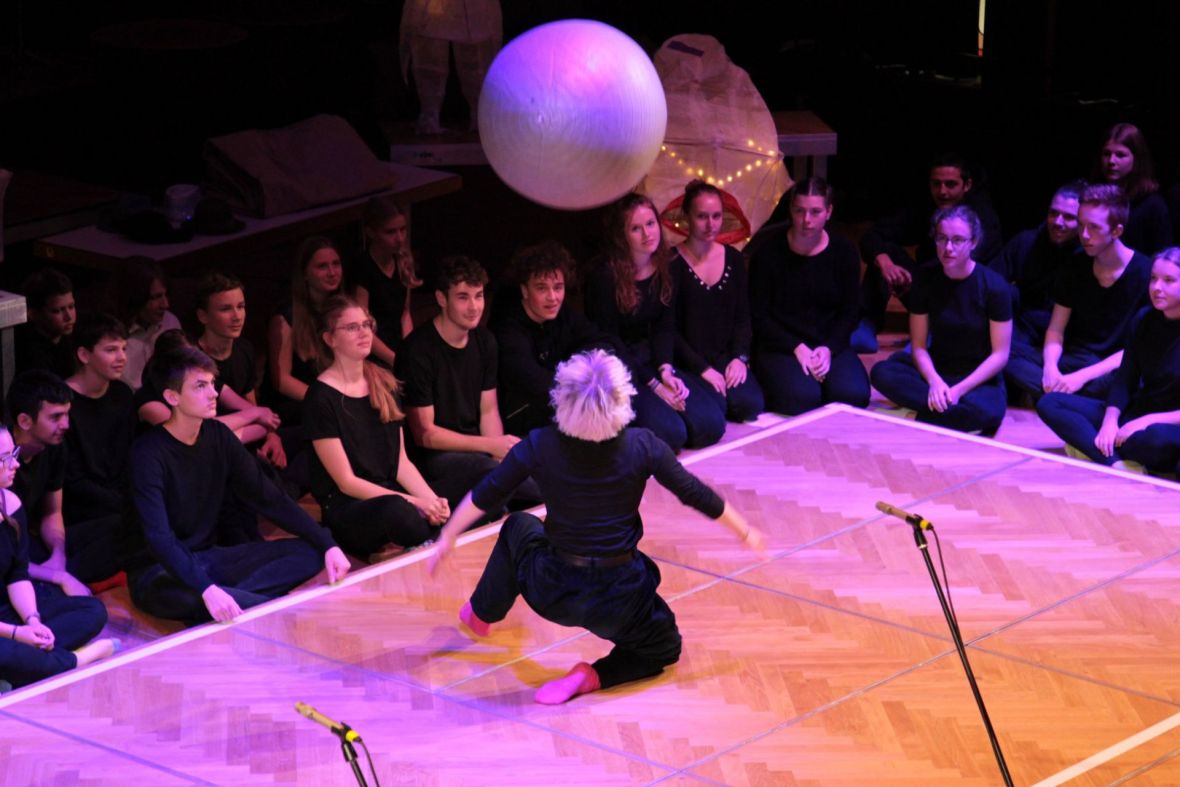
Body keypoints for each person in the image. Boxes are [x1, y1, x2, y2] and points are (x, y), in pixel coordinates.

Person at [429, 350, 765, 704]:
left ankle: (482, 613)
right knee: (663, 646)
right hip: (619, 597)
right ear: (621, 399)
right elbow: (694, 493)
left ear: (564, 399)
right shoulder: (643, 445)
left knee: (519, 526)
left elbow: (488, 492)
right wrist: (745, 531)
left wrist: (447, 537)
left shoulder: (541, 443)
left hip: (554, 588)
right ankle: (592, 675)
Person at [127, 347, 349, 624]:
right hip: (159, 570)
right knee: (187, 596)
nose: (213, 393)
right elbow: (159, 538)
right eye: (200, 386)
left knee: (311, 552)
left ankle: (233, 602)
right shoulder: (148, 454)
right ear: (172, 397)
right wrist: (205, 588)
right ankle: (245, 602)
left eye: (212, 384)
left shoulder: (218, 436)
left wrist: (327, 543)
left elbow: (270, 498)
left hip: (210, 559)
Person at [305, 295, 449, 562]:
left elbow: (400, 462)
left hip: (390, 490)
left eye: (367, 324)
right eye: (352, 327)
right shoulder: (320, 397)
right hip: (351, 505)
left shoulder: (383, 382)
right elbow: (346, 482)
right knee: (400, 512)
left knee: (464, 487)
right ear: (330, 339)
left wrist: (431, 501)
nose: (364, 333)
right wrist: (414, 502)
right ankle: (397, 542)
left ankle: (406, 542)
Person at [398, 256, 540, 510]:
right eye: (463, 297)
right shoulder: (418, 351)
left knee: (534, 457)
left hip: (477, 447)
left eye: (479, 296)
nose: (474, 306)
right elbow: (426, 435)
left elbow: (488, 410)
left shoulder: (485, 342)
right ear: (442, 299)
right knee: (491, 472)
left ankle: (563, 499)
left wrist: (500, 451)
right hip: (435, 459)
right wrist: (489, 448)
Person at [585, 193, 724, 452]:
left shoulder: (666, 265)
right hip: (621, 367)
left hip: (651, 358)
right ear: (622, 235)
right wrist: (654, 384)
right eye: (636, 228)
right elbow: (610, 341)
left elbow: (665, 327)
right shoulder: (604, 276)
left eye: (650, 224)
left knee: (711, 426)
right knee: (672, 435)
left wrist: (666, 371)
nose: (647, 233)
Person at [870, 205, 1013, 434]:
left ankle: (924, 413)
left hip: (976, 376)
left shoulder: (994, 287)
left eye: (958, 240)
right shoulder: (925, 280)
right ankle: (947, 413)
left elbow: (1000, 355)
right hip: (938, 369)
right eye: (942, 239)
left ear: (973, 243)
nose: (948, 248)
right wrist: (935, 381)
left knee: (990, 411)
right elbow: (918, 347)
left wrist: (958, 390)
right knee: (882, 373)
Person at [1037, 248, 1180, 471]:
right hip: (1136, 412)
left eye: (1169, 280)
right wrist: (1110, 421)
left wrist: (1144, 422)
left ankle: (1092, 446)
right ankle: (1115, 462)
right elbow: (1125, 379)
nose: (1156, 288)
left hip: (1167, 424)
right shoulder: (1144, 319)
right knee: (1051, 402)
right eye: (1153, 279)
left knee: (1155, 439)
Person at [0, 425, 119, 689]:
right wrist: (19, 634)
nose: (15, 464)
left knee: (91, 610)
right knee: (5, 650)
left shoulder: (11, 504)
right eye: (4, 459)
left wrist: (33, 620)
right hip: (4, 630)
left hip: (8, 611)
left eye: (13, 454)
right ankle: (72, 661)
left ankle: (26, 665)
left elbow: (17, 576)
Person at [1008, 184, 1151, 403]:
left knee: (1133, 380)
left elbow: (1136, 349)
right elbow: (1056, 329)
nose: (1084, 235)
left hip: (1112, 366)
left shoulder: (1145, 273)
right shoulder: (1076, 263)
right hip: (1074, 358)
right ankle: (1066, 396)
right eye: (1082, 224)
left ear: (1116, 231)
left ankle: (1060, 397)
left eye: (1094, 227)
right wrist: (1050, 368)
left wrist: (1080, 378)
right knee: (1005, 353)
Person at [854, 153, 1003, 353]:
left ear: (966, 185)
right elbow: (873, 235)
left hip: (962, 300)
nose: (942, 191)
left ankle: (933, 333)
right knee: (884, 252)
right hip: (925, 286)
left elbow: (962, 267)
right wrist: (886, 263)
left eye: (950, 184)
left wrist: (917, 281)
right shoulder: (927, 207)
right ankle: (867, 322)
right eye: (936, 184)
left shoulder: (982, 219)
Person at [748, 177, 870, 415]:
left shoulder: (843, 251)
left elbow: (851, 310)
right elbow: (758, 315)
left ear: (829, 212)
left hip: (827, 341)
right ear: (790, 211)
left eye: (815, 212)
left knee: (853, 396)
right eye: (800, 211)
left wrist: (828, 348)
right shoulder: (768, 254)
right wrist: (795, 346)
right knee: (802, 399)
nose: (807, 220)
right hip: (781, 344)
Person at [491, 240, 615, 436]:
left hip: (564, 402)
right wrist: (583, 385)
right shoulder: (508, 329)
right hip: (523, 414)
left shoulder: (563, 313)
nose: (553, 297)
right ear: (524, 290)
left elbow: (600, 342)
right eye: (541, 288)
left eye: (558, 287)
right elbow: (534, 383)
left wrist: (588, 372)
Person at [670, 180, 764, 423]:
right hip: (687, 360)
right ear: (687, 217)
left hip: (724, 356)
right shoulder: (671, 263)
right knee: (711, 416)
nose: (710, 224)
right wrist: (703, 369)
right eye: (702, 216)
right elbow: (668, 330)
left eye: (716, 216)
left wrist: (739, 358)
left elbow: (743, 316)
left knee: (750, 405)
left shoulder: (733, 258)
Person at [62, 313, 137, 585]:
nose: (121, 357)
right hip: (81, 509)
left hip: (119, 499)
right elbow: (72, 481)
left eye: (124, 348)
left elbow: (130, 457)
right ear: (84, 354)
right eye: (110, 350)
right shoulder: (64, 404)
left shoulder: (122, 394)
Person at [992, 182, 1085, 398]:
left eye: (1069, 217)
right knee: (998, 350)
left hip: (1067, 341)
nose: (1058, 222)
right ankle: (1057, 395)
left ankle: (1050, 389)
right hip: (1025, 334)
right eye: (1054, 214)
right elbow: (991, 282)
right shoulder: (1027, 242)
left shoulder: (1088, 256)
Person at [194, 272, 289, 477]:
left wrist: (271, 435)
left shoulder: (244, 349)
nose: (237, 316)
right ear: (203, 316)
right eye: (226, 309)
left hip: (246, 435)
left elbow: (250, 400)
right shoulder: (193, 359)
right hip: (209, 447)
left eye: (241, 306)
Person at [8, 371, 91, 596]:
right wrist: (57, 576)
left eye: (66, 415)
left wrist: (58, 556)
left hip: (27, 542)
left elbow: (52, 512)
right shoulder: (3, 454)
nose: (66, 425)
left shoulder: (55, 448)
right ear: (24, 421)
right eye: (55, 417)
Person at [267, 237, 348, 424]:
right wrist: (326, 400)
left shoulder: (342, 310)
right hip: (295, 404)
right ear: (304, 273)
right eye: (322, 266)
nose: (332, 272)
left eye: (336, 264)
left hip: (330, 397)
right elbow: (282, 381)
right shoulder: (285, 317)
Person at [350, 196, 423, 368]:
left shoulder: (402, 261)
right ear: (371, 233)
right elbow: (362, 327)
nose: (399, 238)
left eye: (402, 230)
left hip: (397, 347)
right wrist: (394, 359)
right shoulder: (363, 268)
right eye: (390, 232)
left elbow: (405, 314)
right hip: (372, 351)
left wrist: (408, 350)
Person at [1092, 123, 1172, 254]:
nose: (1111, 161)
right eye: (1106, 154)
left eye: (1120, 155)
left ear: (1137, 159)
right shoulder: (1093, 198)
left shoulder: (1152, 205)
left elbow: (1162, 255)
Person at [115, 257, 183, 390]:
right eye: (156, 297)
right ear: (135, 298)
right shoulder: (113, 334)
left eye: (165, 295)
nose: (165, 304)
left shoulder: (170, 322)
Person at [14, 268, 77, 379]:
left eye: (71, 307)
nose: (69, 317)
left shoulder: (69, 334)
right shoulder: (31, 356)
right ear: (33, 314)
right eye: (57, 311)